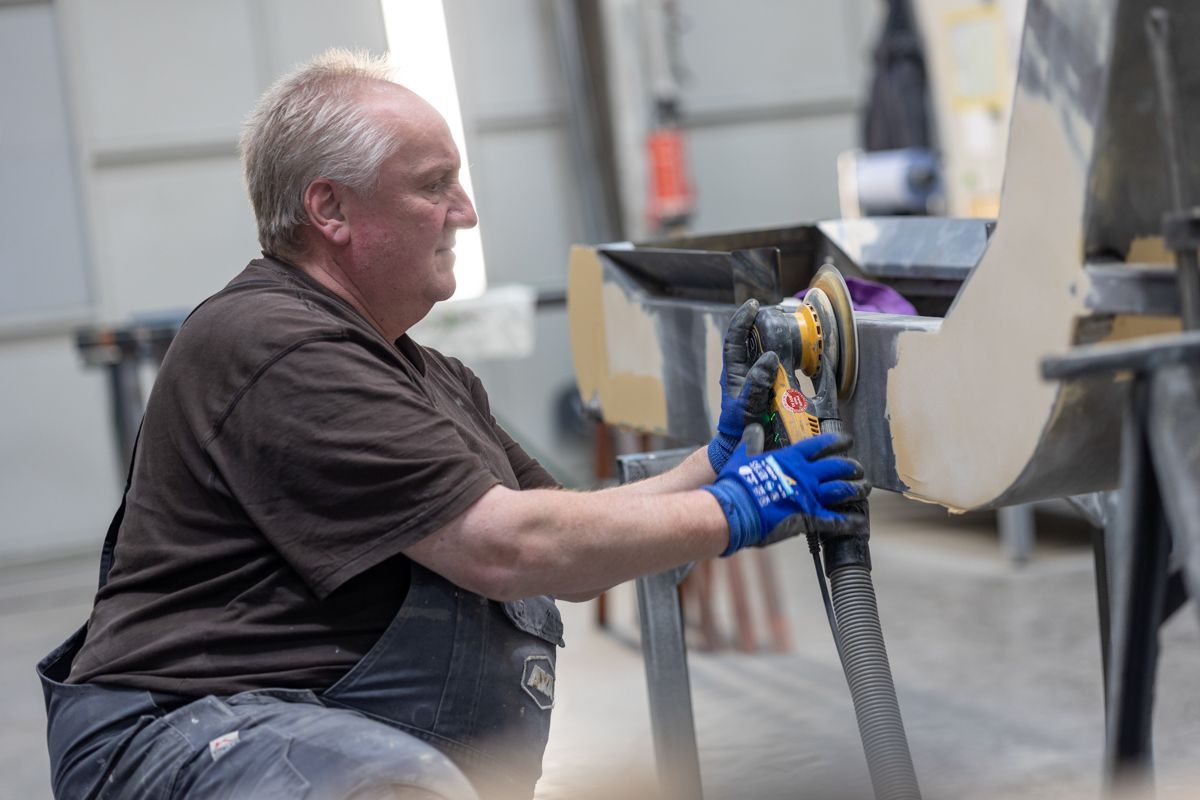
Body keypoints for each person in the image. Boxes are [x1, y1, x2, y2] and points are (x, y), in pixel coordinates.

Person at [37, 50, 868, 800]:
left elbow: (567, 554)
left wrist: (717, 465)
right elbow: (504, 547)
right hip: (186, 740)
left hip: (313, 731)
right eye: (433, 184)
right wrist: (740, 507)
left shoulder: (427, 375)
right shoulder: (270, 343)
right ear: (330, 207)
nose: (465, 211)